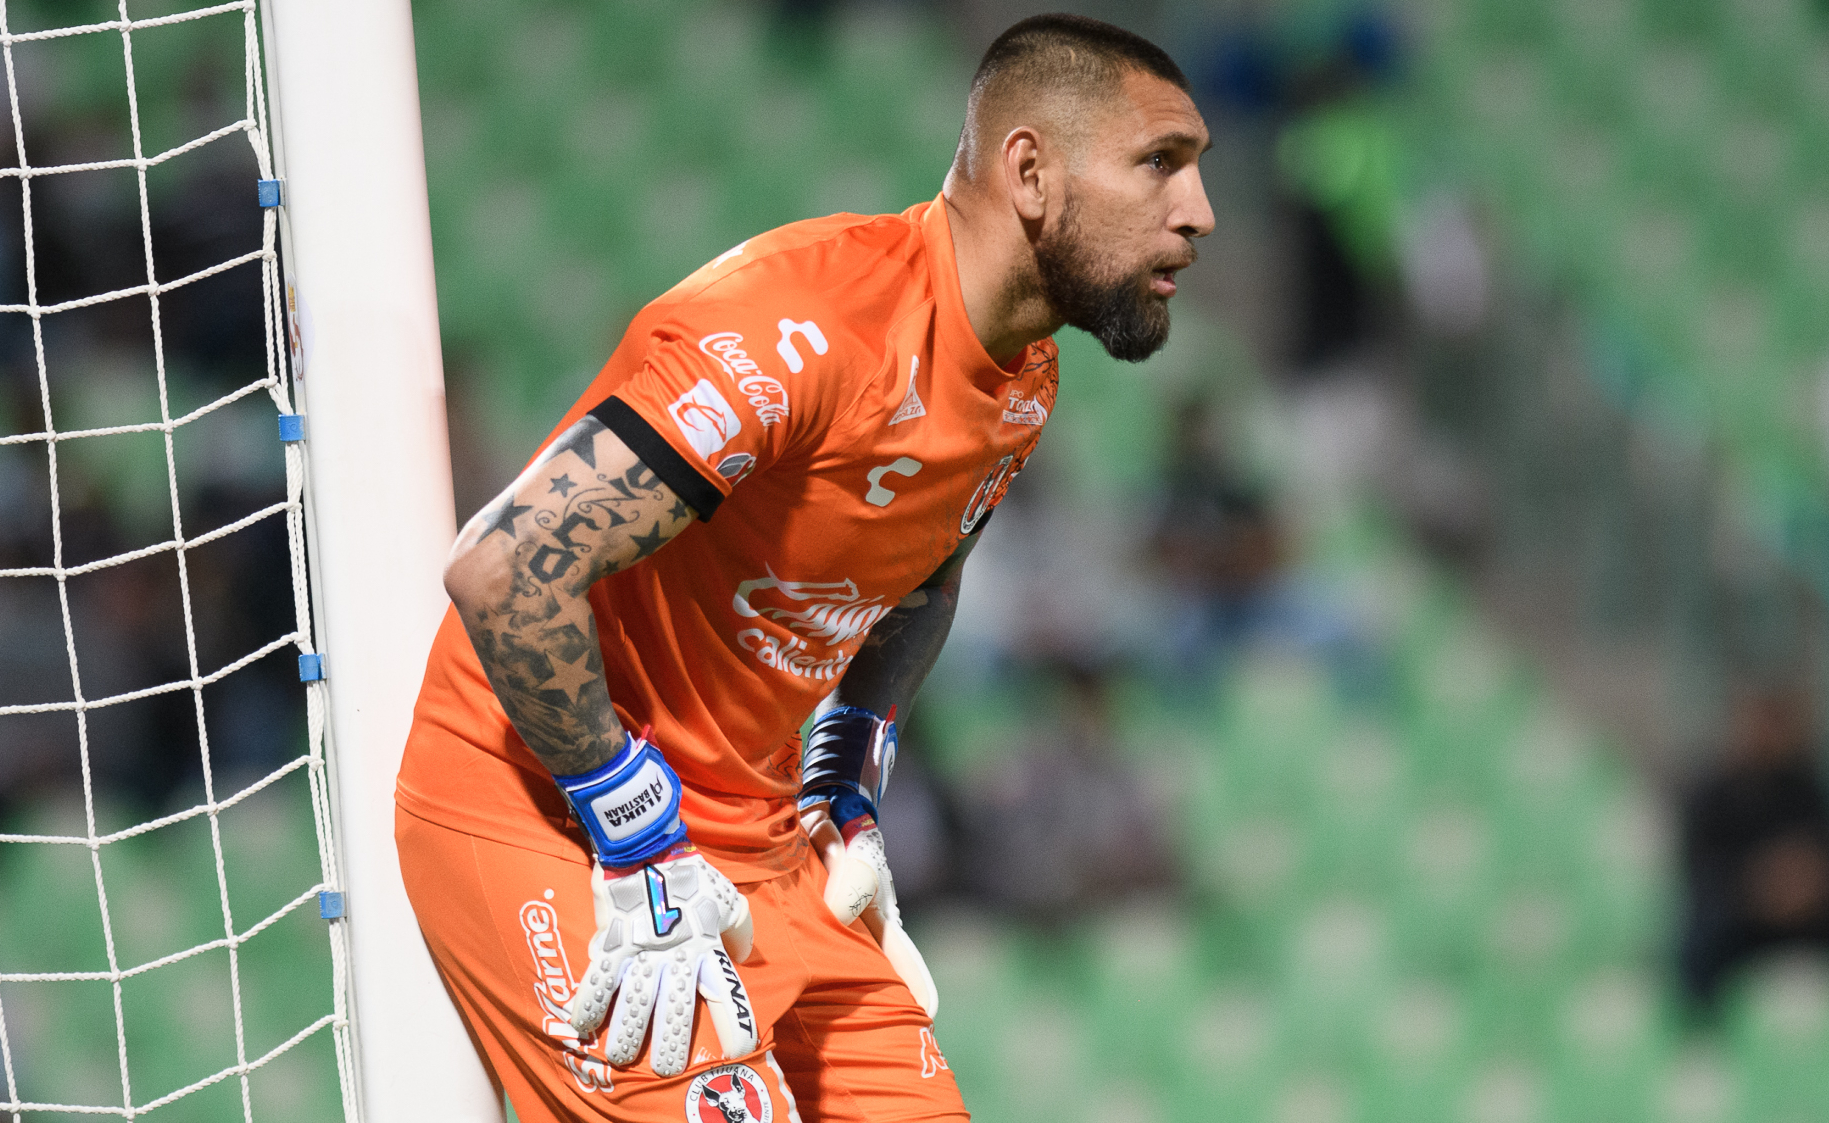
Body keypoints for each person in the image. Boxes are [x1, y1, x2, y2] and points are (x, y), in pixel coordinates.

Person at [395, 14, 1213, 1121]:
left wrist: (847, 771)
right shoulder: (804, 328)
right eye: (1160, 162)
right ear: (1029, 171)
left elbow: (923, 574)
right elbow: (504, 568)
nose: (1198, 210)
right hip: (558, 816)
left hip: (757, 837)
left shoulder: (1022, 378)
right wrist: (632, 832)